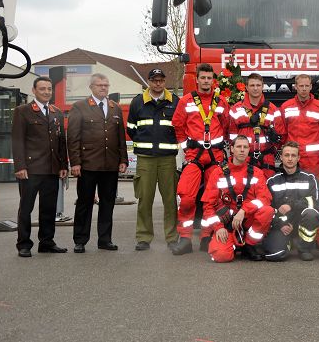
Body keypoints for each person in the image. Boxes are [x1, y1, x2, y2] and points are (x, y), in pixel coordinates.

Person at [172, 63, 230, 255]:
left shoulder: (221, 102)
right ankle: (185, 238)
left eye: (209, 78)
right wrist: (185, 146)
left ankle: (207, 236)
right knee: (187, 198)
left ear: (213, 80)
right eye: (203, 78)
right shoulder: (186, 101)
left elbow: (227, 126)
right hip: (194, 156)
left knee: (212, 199)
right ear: (196, 79)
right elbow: (178, 125)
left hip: (215, 157)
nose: (206, 81)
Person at [67, 73, 127, 253]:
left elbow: (120, 137)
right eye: (100, 85)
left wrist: (123, 159)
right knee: (85, 203)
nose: (103, 88)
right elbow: (73, 137)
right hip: (88, 165)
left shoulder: (114, 107)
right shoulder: (80, 107)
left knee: (107, 203)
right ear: (91, 87)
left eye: (106, 85)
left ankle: (105, 239)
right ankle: (80, 240)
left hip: (109, 165)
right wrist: (75, 162)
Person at [12, 76, 68, 257]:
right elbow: (17, 141)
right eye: (42, 89)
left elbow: (61, 141)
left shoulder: (56, 112)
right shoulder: (23, 111)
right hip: (30, 169)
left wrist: (62, 165)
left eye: (49, 89)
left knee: (49, 208)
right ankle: (24, 244)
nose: (46, 92)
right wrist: (20, 166)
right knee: (26, 208)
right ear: (34, 90)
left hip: (51, 169)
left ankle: (46, 242)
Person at [127, 68, 180, 251]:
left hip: (167, 159)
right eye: (154, 80)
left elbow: (180, 128)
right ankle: (143, 237)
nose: (158, 83)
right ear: (149, 81)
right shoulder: (138, 102)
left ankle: (172, 237)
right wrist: (144, 144)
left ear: (165, 82)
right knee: (145, 199)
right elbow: (131, 129)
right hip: (145, 159)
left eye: (161, 80)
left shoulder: (175, 101)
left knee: (170, 201)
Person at [201, 136, 273, 262]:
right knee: (221, 256)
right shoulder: (218, 173)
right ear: (232, 149)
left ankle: (250, 244)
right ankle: (233, 243)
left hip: (248, 220)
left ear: (248, 150)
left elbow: (265, 198)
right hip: (227, 223)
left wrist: (244, 210)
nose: (242, 150)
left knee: (267, 211)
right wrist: (218, 227)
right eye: (238, 147)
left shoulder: (256, 172)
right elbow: (208, 205)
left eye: (245, 147)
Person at [263, 141, 319, 261]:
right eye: (287, 155)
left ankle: (304, 248)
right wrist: (280, 224)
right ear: (281, 157)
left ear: (298, 158)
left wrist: (291, 205)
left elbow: (315, 203)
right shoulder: (272, 181)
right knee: (276, 255)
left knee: (311, 213)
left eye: (293, 155)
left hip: (301, 222)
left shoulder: (309, 178)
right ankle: (287, 242)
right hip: (281, 225)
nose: (290, 159)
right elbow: (267, 207)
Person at [228, 73, 285, 179]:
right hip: (243, 158)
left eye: (258, 85)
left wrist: (273, 145)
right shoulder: (236, 109)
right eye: (252, 85)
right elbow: (232, 137)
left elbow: (281, 136)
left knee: (267, 191)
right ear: (246, 87)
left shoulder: (273, 109)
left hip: (266, 159)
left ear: (263, 86)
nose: (255, 88)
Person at [280, 74, 319, 182]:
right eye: (301, 86)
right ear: (295, 87)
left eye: (307, 86)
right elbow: (283, 132)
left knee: (315, 184)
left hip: (312, 158)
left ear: (311, 86)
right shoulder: (286, 107)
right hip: (292, 156)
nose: (304, 89)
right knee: (291, 185)